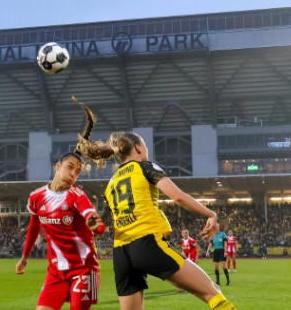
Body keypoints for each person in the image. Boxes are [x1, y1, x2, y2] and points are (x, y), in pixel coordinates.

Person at [77, 130, 237, 310]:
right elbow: (178, 196)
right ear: (138, 148)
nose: (146, 149)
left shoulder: (111, 183)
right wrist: (211, 214)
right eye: (145, 145)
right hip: (146, 243)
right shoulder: (145, 167)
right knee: (212, 292)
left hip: (121, 253)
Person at [15, 152, 104, 310]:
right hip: (56, 272)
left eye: (77, 172)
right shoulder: (36, 197)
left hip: (84, 268)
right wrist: (24, 257)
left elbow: (97, 224)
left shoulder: (77, 196)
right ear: (57, 166)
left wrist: (96, 226)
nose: (73, 174)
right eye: (70, 167)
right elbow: (34, 228)